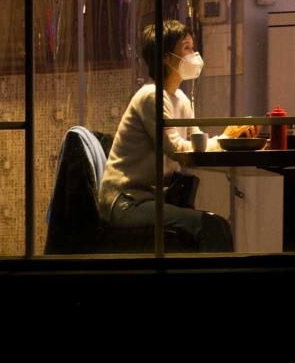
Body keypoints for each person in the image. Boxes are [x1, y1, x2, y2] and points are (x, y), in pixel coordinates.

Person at [98, 20, 237, 252]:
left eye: (193, 47)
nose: (194, 55)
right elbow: (177, 150)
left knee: (215, 225)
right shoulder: (151, 97)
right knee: (212, 226)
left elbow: (196, 142)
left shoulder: (180, 98)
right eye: (186, 48)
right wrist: (225, 140)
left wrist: (230, 140)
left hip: (151, 199)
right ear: (165, 57)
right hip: (127, 201)